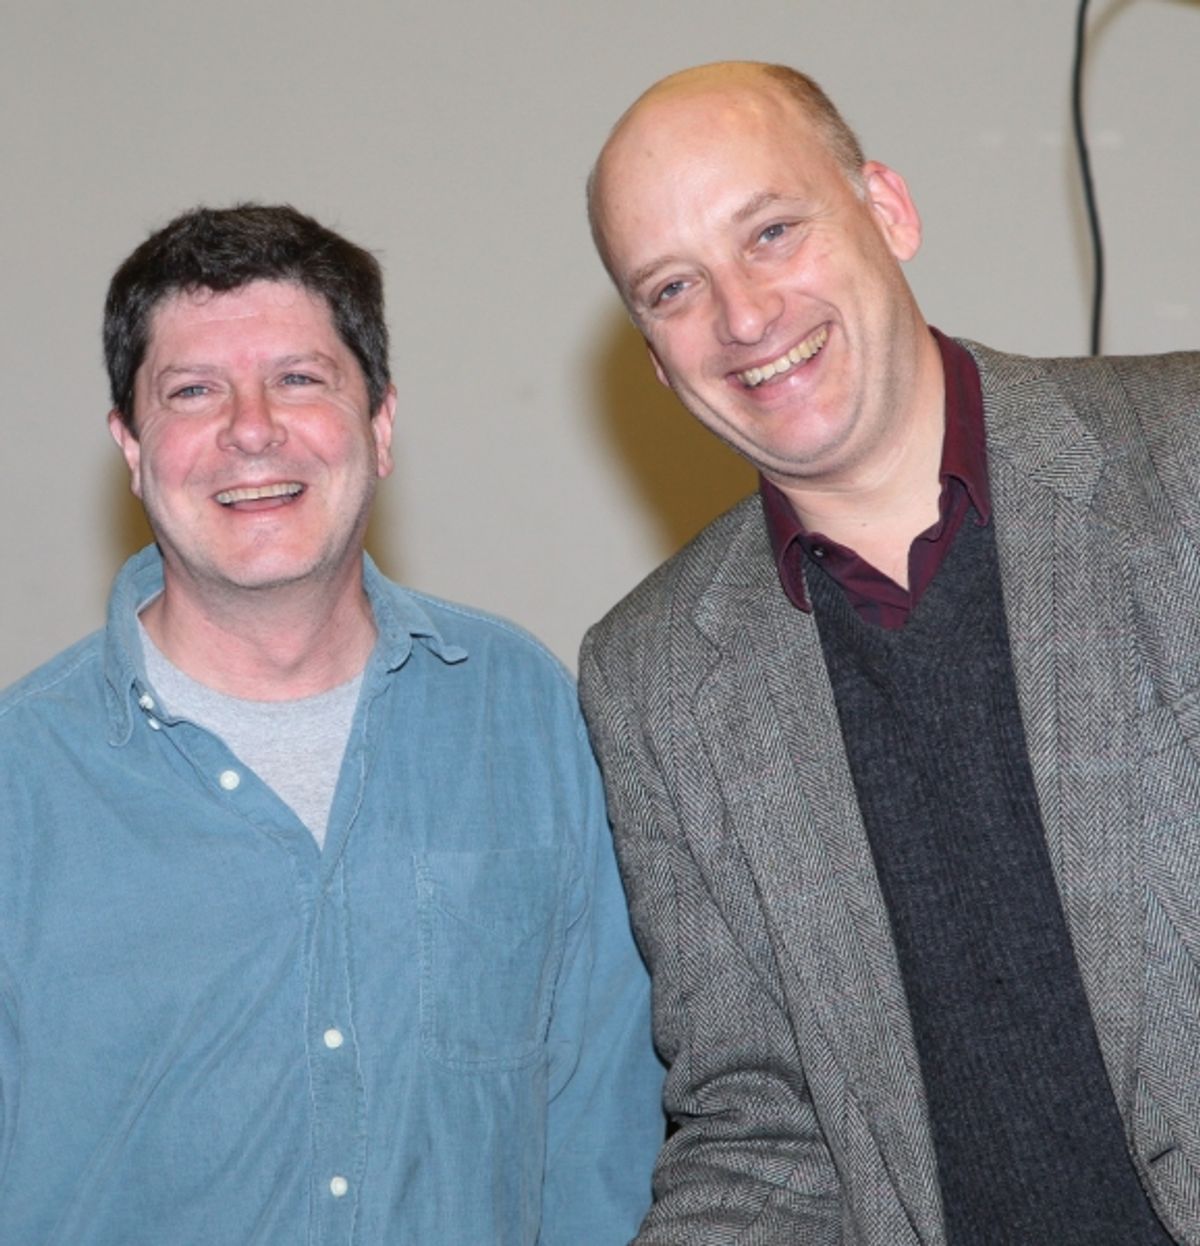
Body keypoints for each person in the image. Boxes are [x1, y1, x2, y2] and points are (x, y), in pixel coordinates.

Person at [579, 60, 1200, 1244]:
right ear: (654, 361)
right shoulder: (648, 676)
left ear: (889, 209)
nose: (745, 316)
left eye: (770, 230)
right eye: (674, 286)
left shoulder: (1181, 462)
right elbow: (761, 1128)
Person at [0, 203, 662, 1245]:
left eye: (300, 379)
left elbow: (601, 1138)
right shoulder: (19, 783)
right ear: (130, 448)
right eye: (192, 390)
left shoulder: (520, 713)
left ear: (381, 425)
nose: (251, 427)